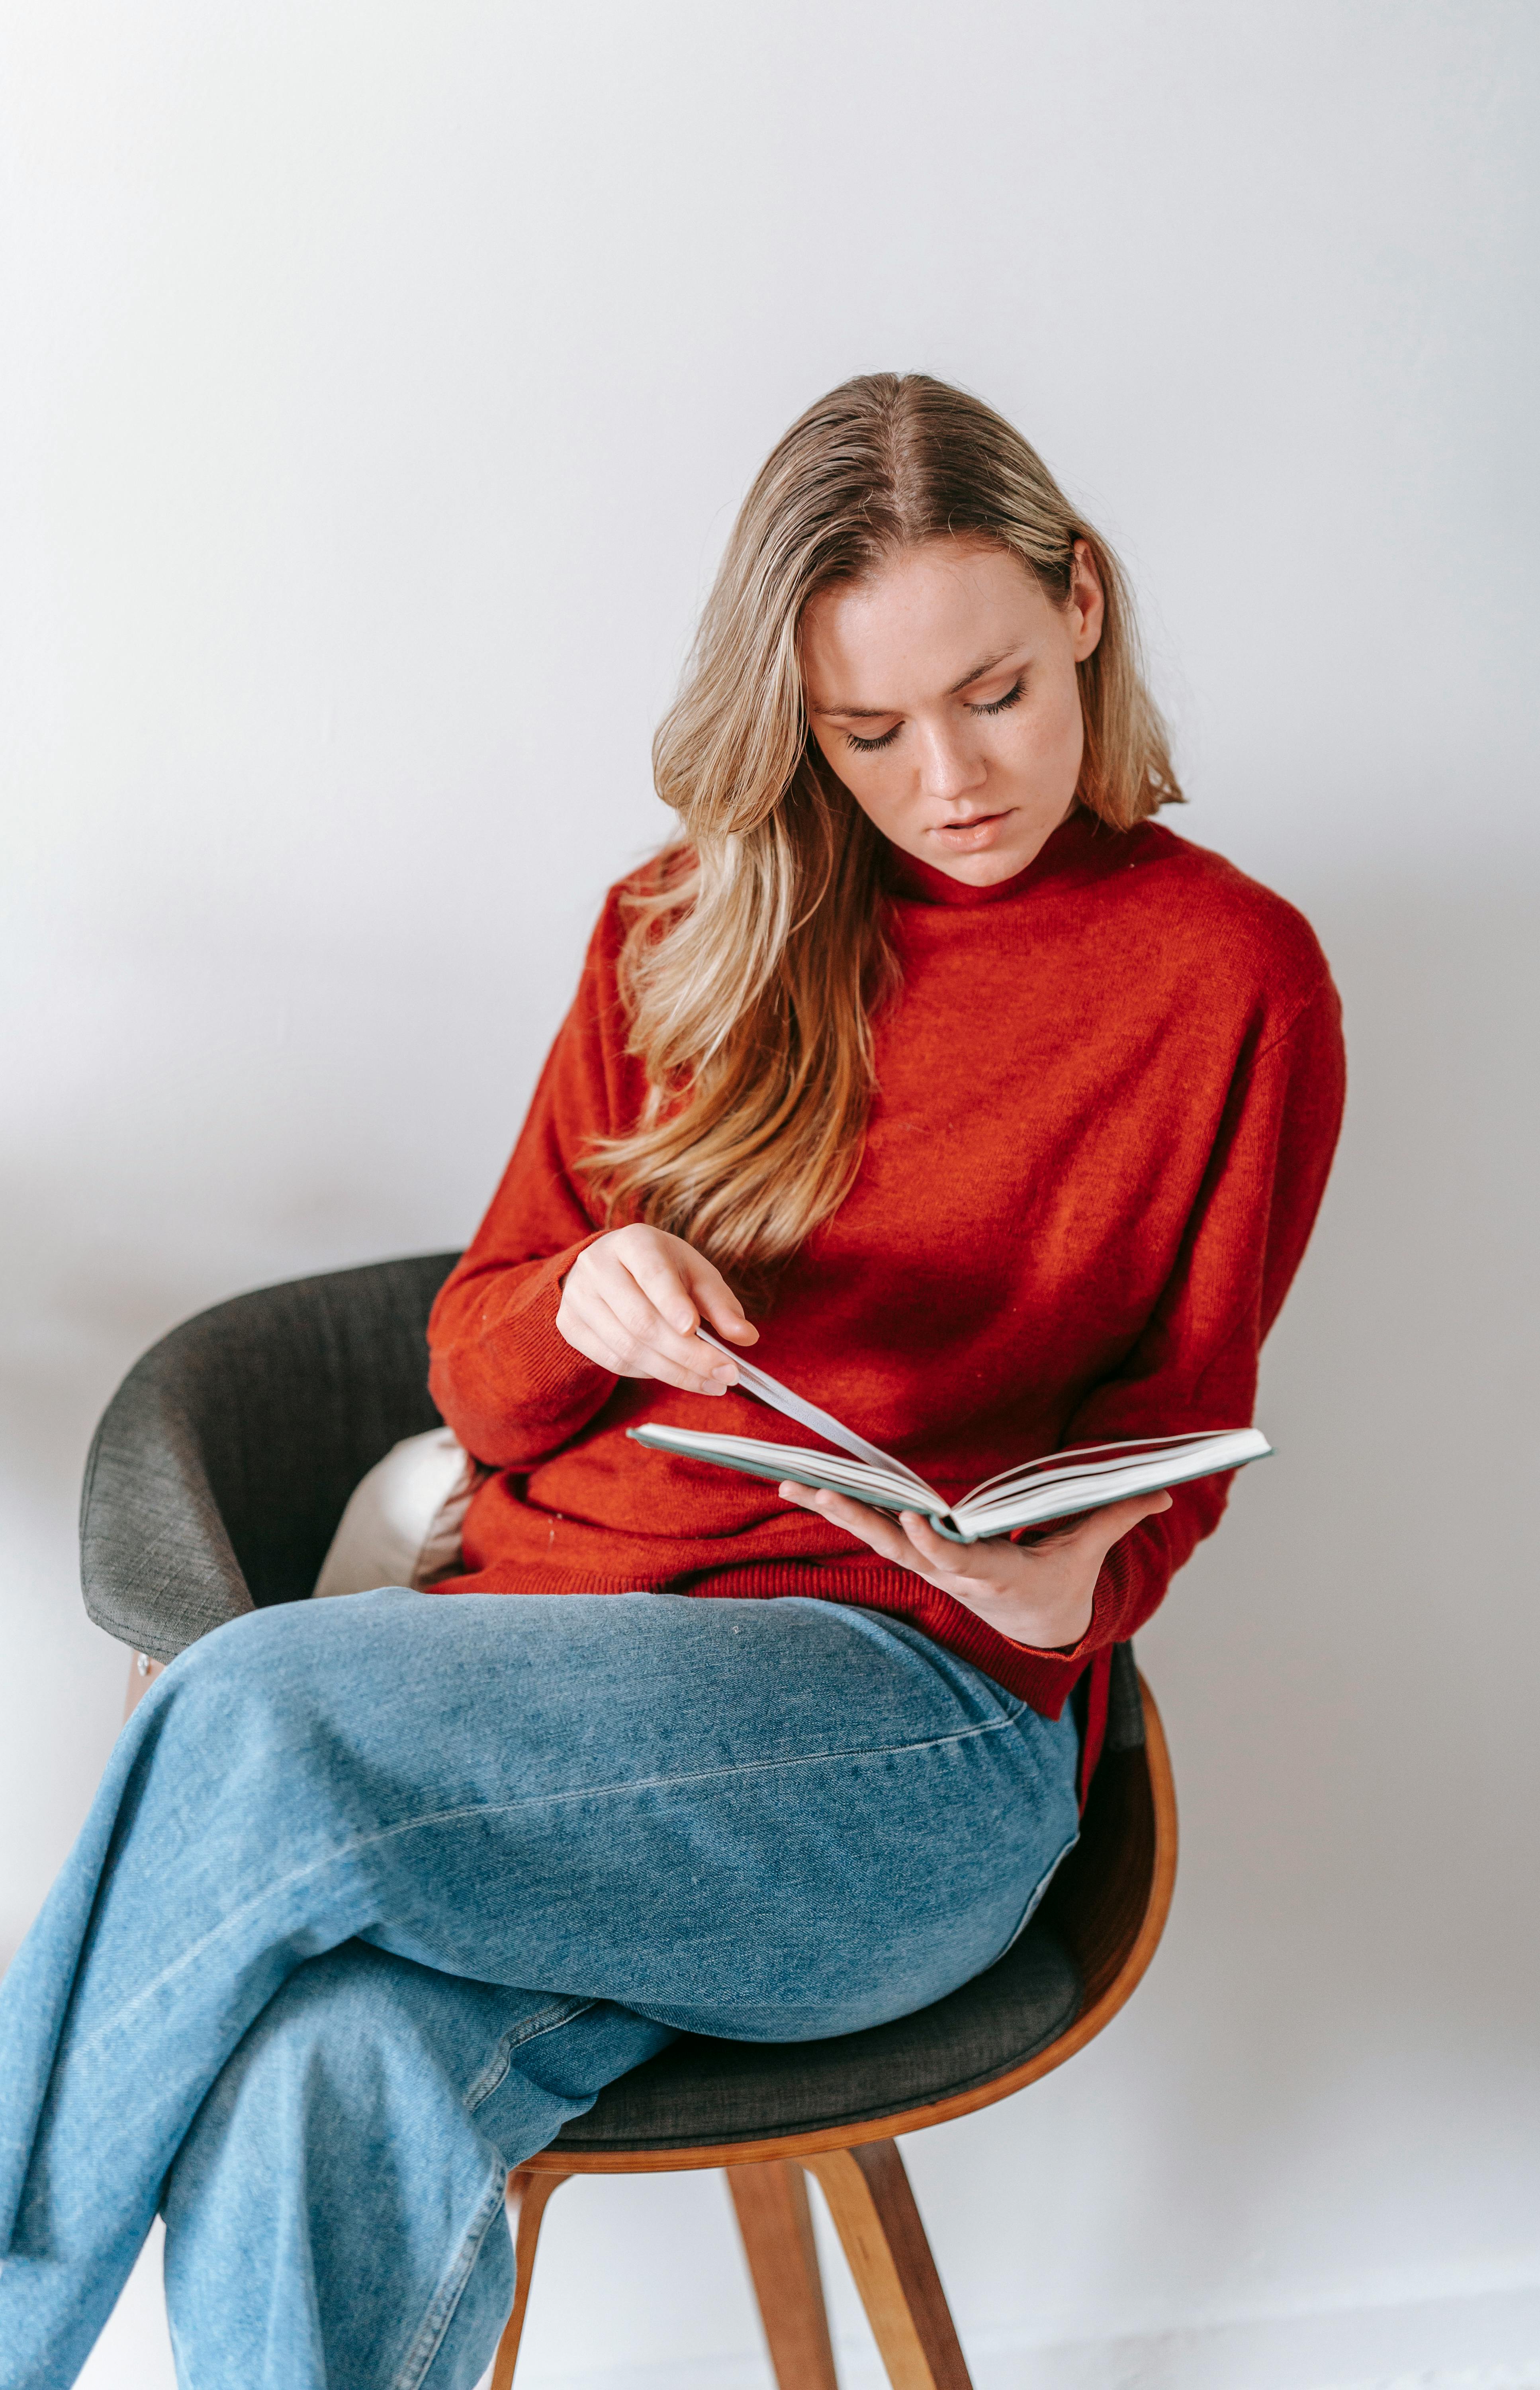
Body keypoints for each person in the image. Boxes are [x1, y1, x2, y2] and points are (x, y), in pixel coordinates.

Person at [0, 374, 1344, 2388]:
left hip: (897, 1749)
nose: (949, 780)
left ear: (1083, 604)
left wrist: (1086, 1583)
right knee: (320, 2066)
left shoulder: (1228, 976)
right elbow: (476, 1359)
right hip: (536, 1699)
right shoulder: (683, 933)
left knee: (262, 1719)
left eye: (988, 693)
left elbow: (1183, 1423)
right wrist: (581, 1305)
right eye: (865, 730)